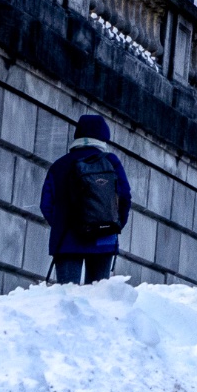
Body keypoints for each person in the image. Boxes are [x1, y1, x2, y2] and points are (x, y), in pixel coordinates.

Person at [40, 114, 132, 284]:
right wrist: (114, 224)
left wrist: (62, 223)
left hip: (66, 240)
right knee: (97, 297)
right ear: (103, 137)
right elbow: (125, 196)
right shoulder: (111, 161)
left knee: (68, 297)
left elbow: (46, 205)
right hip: (103, 238)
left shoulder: (59, 165)